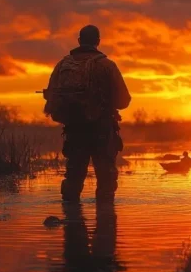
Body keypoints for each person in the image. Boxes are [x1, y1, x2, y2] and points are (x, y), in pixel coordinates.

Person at [43, 25, 131, 203]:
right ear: (98, 42)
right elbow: (124, 101)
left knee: (73, 176)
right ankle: (106, 222)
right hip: (102, 130)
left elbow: (52, 98)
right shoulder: (107, 65)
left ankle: (70, 220)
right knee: (106, 179)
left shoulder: (62, 65)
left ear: (79, 41)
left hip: (74, 129)